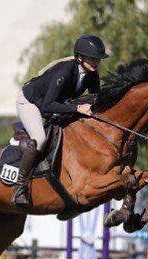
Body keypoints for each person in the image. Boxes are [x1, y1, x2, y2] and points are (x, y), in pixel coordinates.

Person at [12, 34, 109, 207]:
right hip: (30, 102)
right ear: (80, 57)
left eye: (98, 59)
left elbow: (96, 99)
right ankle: (20, 186)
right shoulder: (64, 72)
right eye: (93, 58)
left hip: (53, 104)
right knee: (40, 138)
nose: (96, 62)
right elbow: (47, 107)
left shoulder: (92, 75)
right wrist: (77, 108)